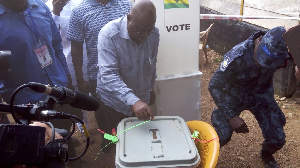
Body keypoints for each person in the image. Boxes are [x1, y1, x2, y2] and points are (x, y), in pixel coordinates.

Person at [209, 26, 290, 168]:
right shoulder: (236, 55)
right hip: (235, 95)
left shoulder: (281, 51)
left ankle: (266, 154)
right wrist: (231, 116)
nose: (261, 63)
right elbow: (214, 85)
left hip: (261, 94)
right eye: (261, 58)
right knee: (222, 134)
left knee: (277, 137)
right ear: (259, 40)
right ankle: (203, 153)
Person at [0, 0, 84, 129]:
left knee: (64, 137)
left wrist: (66, 77)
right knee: (41, 143)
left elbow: (56, 44)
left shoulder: (40, 7)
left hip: (58, 90)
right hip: (28, 104)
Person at [97, 0, 158, 152]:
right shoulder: (109, 35)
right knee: (114, 134)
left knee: (135, 137)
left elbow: (151, 63)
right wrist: (134, 100)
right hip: (113, 102)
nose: (143, 37)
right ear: (129, 18)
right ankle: (110, 145)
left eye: (147, 31)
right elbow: (108, 75)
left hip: (139, 99)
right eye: (139, 30)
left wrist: (150, 88)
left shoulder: (154, 33)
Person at [67, 0, 131, 132]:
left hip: (126, 72)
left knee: (127, 109)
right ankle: (107, 138)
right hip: (97, 74)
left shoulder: (127, 5)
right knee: (102, 112)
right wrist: (80, 79)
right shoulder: (79, 11)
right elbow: (76, 48)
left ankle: (126, 140)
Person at [45, 0, 91, 135]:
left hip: (87, 59)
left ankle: (104, 129)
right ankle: (84, 129)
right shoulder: (47, 7)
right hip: (67, 62)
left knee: (94, 95)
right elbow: (48, 36)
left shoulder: (81, 3)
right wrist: (55, 12)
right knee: (75, 98)